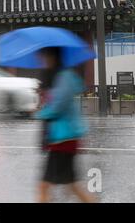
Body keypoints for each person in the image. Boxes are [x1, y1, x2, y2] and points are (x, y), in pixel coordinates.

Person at [35, 47, 95, 203]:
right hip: (62, 138)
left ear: (53, 57)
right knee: (72, 186)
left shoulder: (64, 78)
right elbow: (55, 103)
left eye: (45, 57)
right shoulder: (58, 77)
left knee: (44, 186)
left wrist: (38, 113)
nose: (43, 61)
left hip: (64, 139)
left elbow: (58, 107)